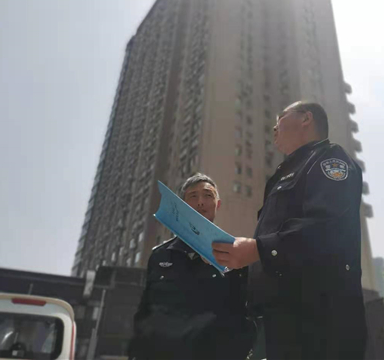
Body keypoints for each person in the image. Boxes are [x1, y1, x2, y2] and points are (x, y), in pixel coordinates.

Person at [212, 101, 368, 360]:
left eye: (280, 118)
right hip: (273, 322)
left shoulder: (330, 159)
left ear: (306, 119)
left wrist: (258, 249)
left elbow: (326, 228)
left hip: (318, 324)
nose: (274, 127)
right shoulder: (285, 172)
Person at [128, 173, 255, 360]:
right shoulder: (160, 255)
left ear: (217, 204)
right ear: (182, 205)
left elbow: (245, 314)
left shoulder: (234, 254)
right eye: (193, 196)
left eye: (208, 195)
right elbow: (144, 314)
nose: (201, 202)